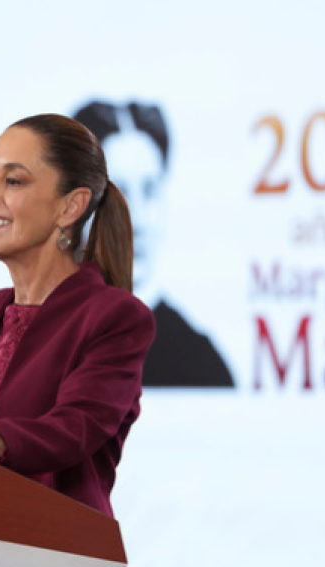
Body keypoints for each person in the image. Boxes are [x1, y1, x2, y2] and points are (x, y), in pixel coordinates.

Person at [0, 114, 156, 517]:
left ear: (70, 207)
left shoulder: (114, 316)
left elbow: (76, 427)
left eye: (13, 181)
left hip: (54, 541)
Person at [74, 101, 234, 388]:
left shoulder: (200, 365)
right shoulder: (32, 344)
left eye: (150, 191)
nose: (137, 220)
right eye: (118, 195)